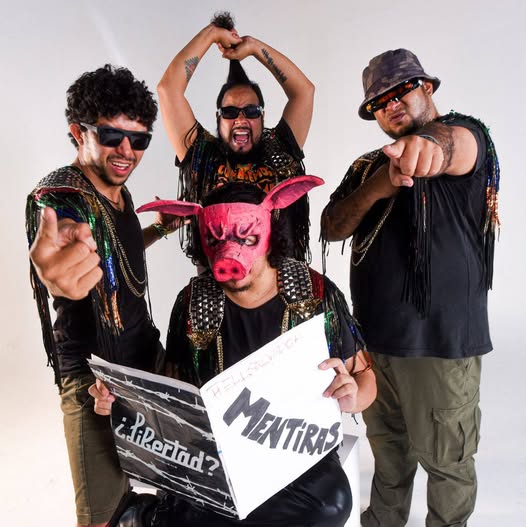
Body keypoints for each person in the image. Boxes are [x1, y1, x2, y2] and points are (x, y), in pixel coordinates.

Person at [91, 176, 377, 527]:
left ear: (268, 234)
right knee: (200, 504)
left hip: (295, 449)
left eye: (247, 238)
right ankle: (159, 513)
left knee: (332, 505)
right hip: (217, 457)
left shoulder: (315, 292)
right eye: (216, 240)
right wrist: (122, 402)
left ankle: (158, 516)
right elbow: (171, 390)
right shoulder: (193, 300)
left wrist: (353, 396)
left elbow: (365, 377)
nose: (231, 253)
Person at [321, 49, 500, 527]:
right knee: (388, 456)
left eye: (401, 91)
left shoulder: (467, 134)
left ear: (428, 87)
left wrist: (429, 149)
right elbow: (332, 225)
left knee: (448, 462)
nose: (391, 105)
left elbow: (452, 144)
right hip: (374, 347)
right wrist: (382, 183)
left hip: (439, 347)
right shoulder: (368, 166)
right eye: (379, 103)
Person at [26, 65, 180, 527]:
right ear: (78, 132)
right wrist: (56, 274)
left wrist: (159, 230)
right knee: (102, 516)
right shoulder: (62, 194)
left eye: (139, 139)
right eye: (112, 136)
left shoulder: (118, 191)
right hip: (94, 378)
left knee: (187, 486)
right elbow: (63, 250)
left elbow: (113, 253)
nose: (127, 151)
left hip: (144, 356)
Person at [157, 11, 315, 262]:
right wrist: (212, 33)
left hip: (283, 282)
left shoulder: (281, 148)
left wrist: (253, 47)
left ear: (262, 117)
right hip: (218, 284)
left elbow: (304, 91)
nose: (241, 119)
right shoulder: (202, 156)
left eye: (251, 112)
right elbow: (168, 90)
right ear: (218, 118)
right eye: (230, 112)